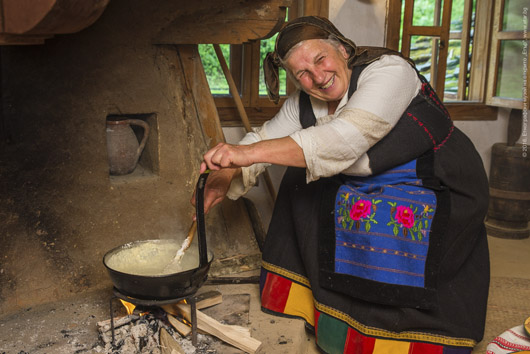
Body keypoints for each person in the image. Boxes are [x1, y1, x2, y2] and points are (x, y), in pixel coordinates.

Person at [197, 16, 490, 354]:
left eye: (321, 60)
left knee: (381, 207)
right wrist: (223, 177)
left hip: (432, 176)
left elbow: (343, 140)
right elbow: (266, 138)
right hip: (365, 175)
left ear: (342, 48)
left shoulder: (389, 71)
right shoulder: (303, 102)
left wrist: (243, 153)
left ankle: (409, 337)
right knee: (299, 179)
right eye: (301, 73)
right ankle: (331, 319)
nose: (317, 78)